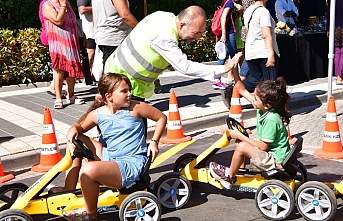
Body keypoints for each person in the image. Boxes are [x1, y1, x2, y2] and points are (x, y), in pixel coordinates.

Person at [105, 5, 242, 135]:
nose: (197, 37)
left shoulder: (162, 17)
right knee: (132, 135)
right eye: (196, 32)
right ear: (182, 25)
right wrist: (224, 68)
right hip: (124, 86)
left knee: (120, 131)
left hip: (117, 76)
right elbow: (184, 67)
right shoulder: (165, 38)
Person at [61, 73, 167, 220]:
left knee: (87, 170)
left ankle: (90, 213)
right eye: (124, 91)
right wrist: (73, 128)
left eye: (129, 89)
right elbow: (79, 127)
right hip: (110, 157)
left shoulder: (135, 107)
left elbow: (161, 117)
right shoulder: (97, 114)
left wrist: (154, 142)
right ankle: (68, 190)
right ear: (109, 96)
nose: (130, 94)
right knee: (74, 139)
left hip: (130, 163)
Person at [209, 68, 292, 189]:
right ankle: (239, 173)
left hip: (276, 161)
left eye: (256, 98)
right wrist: (234, 70)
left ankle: (229, 177)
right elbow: (241, 89)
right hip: (272, 155)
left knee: (242, 145)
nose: (253, 98)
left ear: (267, 105)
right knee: (240, 143)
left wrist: (240, 135)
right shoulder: (262, 108)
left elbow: (264, 147)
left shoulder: (271, 119)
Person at [42, 0, 85, 109]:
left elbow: (73, 19)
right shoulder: (47, 5)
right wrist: (63, 6)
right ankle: (58, 98)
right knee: (59, 69)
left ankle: (71, 95)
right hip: (58, 41)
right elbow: (58, 20)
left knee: (72, 68)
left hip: (71, 40)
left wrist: (82, 34)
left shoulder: (66, 3)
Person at [242, 0, 280, 92]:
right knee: (270, 82)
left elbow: (248, 31)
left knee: (255, 79)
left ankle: (234, 90)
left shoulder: (248, 10)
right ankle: (271, 104)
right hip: (263, 51)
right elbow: (266, 34)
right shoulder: (263, 11)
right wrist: (271, 54)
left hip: (251, 50)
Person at [92, 0, 138, 66]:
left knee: (110, 71)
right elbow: (125, 15)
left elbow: (94, 17)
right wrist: (141, 29)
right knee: (115, 72)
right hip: (115, 37)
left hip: (103, 36)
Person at [212, 0, 238, 90]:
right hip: (228, 34)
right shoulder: (230, 2)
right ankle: (237, 80)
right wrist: (224, 34)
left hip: (225, 34)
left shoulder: (225, 2)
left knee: (223, 57)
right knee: (235, 57)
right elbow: (223, 17)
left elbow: (230, 19)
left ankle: (216, 80)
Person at [77, 0, 96, 82]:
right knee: (90, 53)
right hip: (89, 30)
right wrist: (98, 8)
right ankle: (88, 76)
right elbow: (82, 10)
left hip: (98, 28)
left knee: (96, 53)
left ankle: (92, 75)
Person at [326, 0, 343, 85]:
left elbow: (328, 14)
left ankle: (338, 75)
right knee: (342, 52)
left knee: (337, 52)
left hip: (335, 27)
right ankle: (340, 76)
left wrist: (328, 28)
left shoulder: (332, 1)